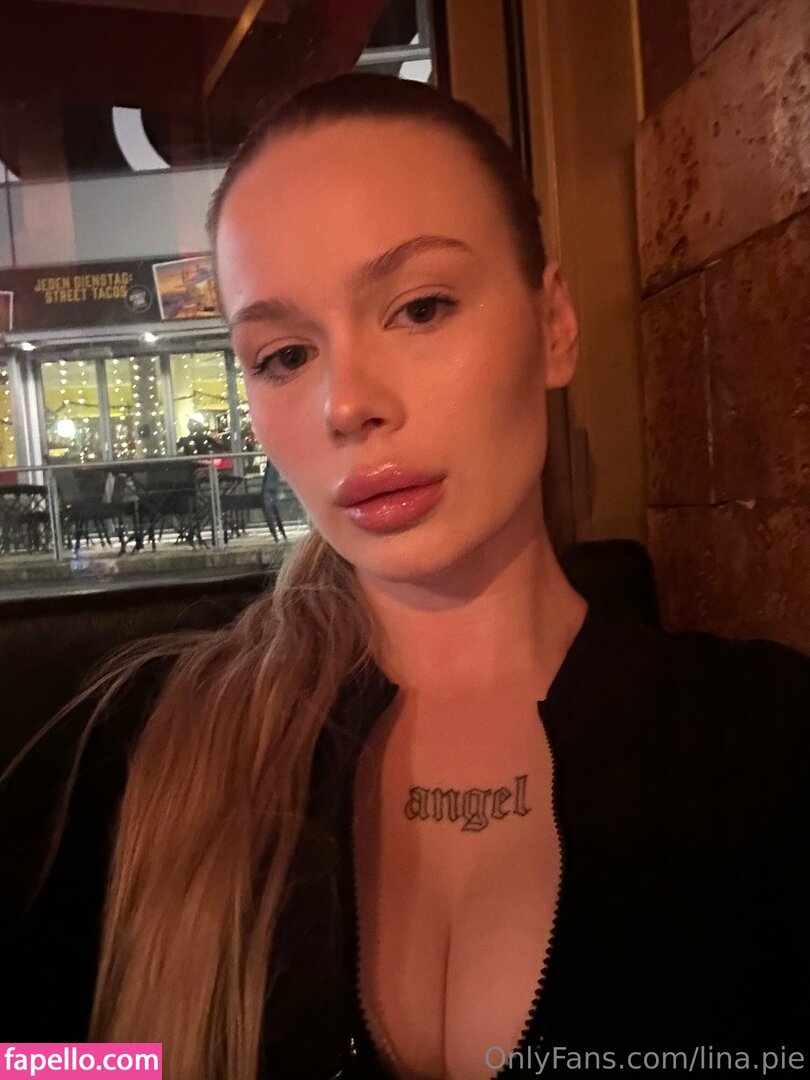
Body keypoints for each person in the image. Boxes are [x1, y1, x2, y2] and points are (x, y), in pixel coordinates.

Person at [1, 73, 808, 1080]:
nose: (347, 404)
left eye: (421, 308)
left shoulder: (767, 744)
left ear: (554, 324)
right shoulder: (140, 751)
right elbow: (29, 1061)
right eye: (284, 355)